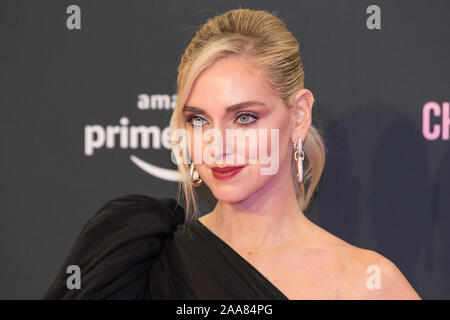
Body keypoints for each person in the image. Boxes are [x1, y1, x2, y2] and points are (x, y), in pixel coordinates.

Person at [44, 8, 420, 300]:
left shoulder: (365, 282)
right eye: (198, 120)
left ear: (300, 115)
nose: (216, 144)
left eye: (243, 117)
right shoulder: (137, 255)